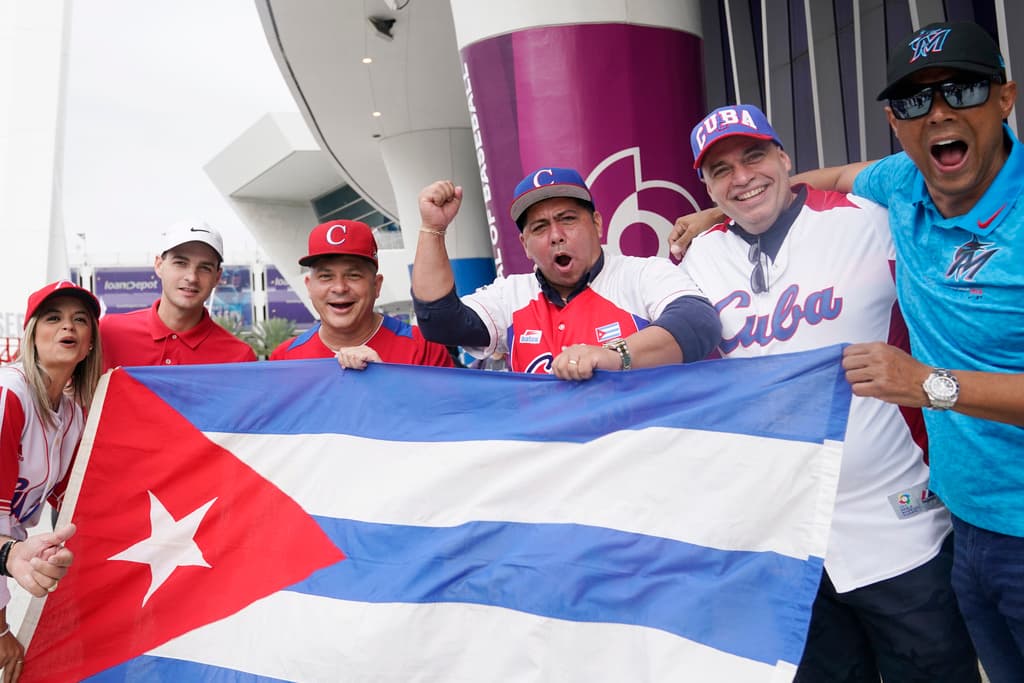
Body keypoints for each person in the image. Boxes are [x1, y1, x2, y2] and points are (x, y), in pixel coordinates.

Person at [673, 22, 1024, 680]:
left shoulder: (866, 219)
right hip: (825, 536)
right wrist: (714, 216)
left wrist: (928, 383)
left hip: (905, 528)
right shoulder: (901, 186)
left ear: (1005, 98)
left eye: (963, 90)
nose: (743, 178)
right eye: (721, 170)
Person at [411, 168, 720, 379]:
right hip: (552, 467)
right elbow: (441, 324)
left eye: (568, 219)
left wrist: (614, 354)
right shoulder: (512, 294)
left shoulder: (641, 274)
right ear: (525, 245)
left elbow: (699, 324)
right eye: (540, 227)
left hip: (636, 459)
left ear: (597, 224)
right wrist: (432, 229)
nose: (556, 235)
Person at [0, 281, 101, 680]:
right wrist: (2, 627)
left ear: (90, 343)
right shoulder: (10, 394)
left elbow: (77, 502)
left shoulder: (72, 414)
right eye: (53, 317)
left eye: (80, 320)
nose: (68, 327)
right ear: (32, 334)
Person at [272, 220, 454, 368]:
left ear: (377, 286)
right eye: (326, 276)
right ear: (309, 287)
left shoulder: (422, 347)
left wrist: (385, 379)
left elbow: (447, 411)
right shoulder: (285, 359)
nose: (340, 287)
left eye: (353, 275)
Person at [100, 220, 256, 369]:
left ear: (217, 277)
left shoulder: (239, 357)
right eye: (181, 263)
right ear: (159, 265)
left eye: (205, 268)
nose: (192, 277)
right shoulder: (107, 334)